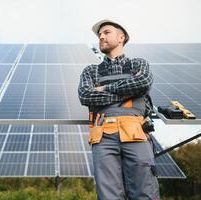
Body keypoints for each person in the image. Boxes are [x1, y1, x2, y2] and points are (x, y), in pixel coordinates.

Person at [78, 19, 160, 200]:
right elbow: (86, 95)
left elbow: (143, 82)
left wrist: (105, 88)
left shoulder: (138, 64)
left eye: (106, 32)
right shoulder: (91, 71)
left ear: (121, 37)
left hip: (136, 134)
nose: (101, 36)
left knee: (145, 191)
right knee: (108, 195)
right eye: (99, 34)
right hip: (103, 136)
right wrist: (129, 92)